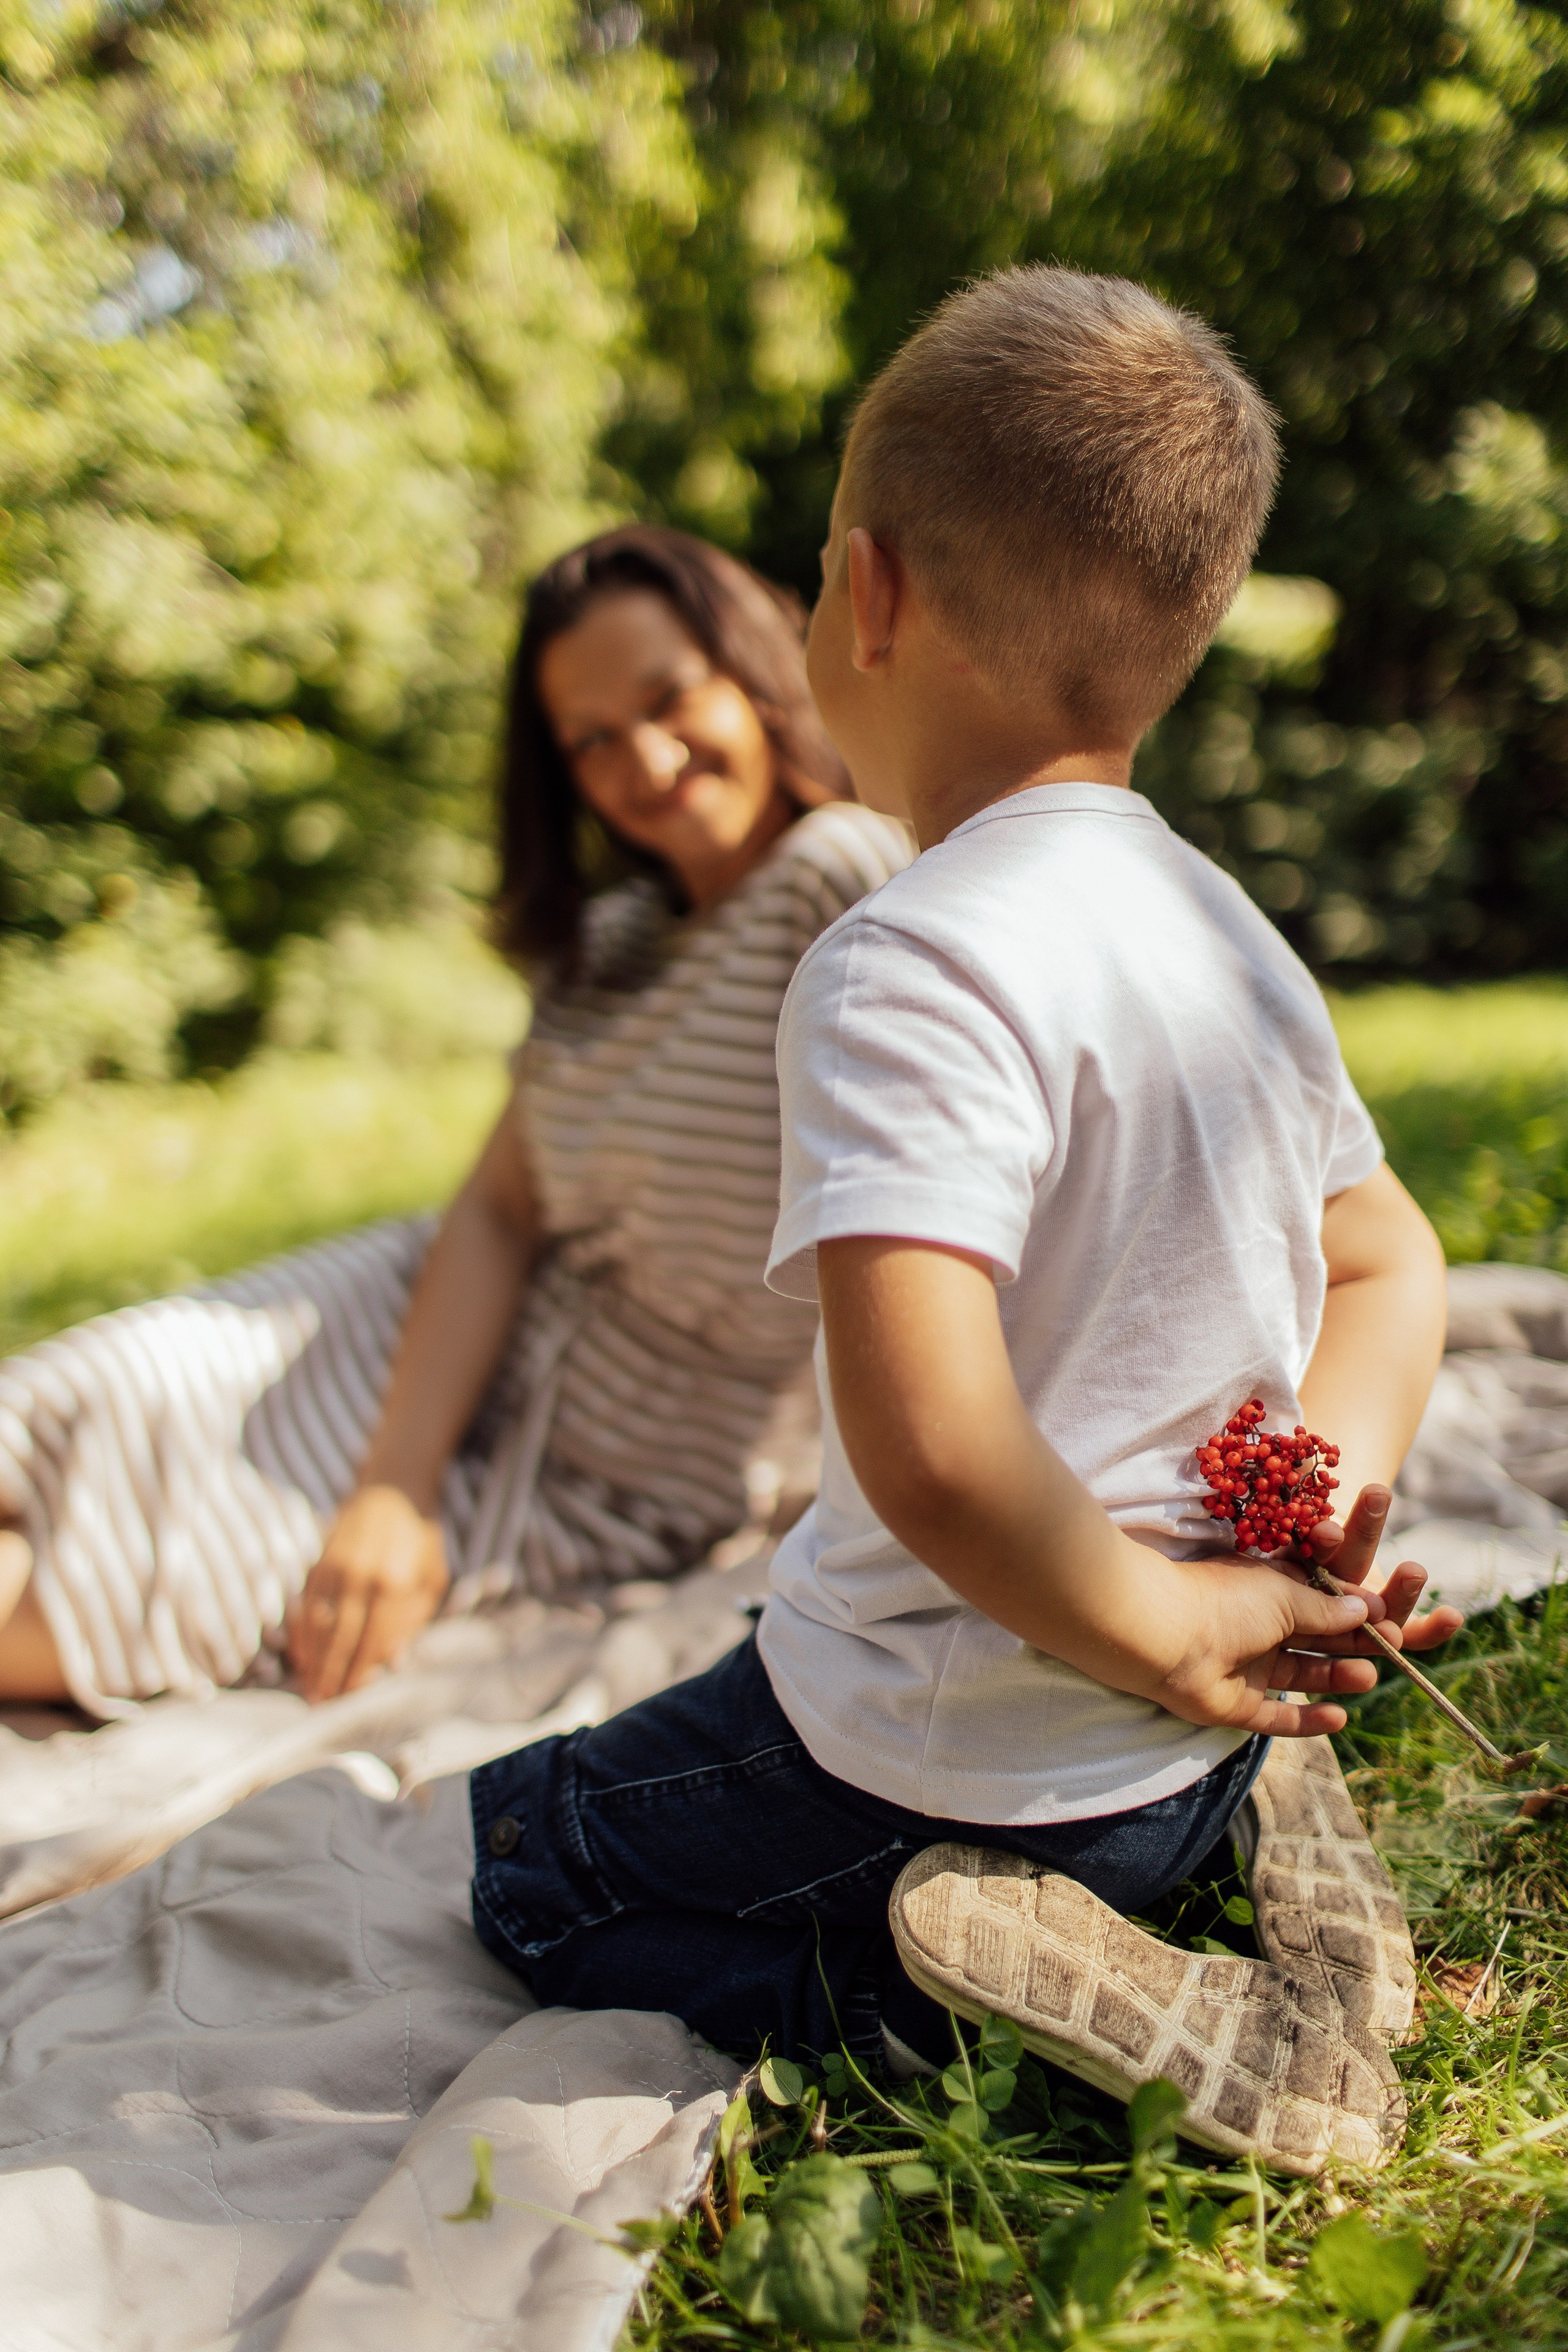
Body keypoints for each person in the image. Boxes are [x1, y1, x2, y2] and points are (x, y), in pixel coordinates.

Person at [467, 271, 1463, 2175]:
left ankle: (999, 2007)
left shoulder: (899, 962)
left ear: (870, 595)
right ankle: (1239, 1848)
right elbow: (1388, 1258)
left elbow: (934, 1453)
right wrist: (1293, 1522)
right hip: (1189, 1752)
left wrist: (1173, 1631)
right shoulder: (1229, 933)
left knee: (528, 1855)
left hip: (961, 1758)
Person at [0, 527, 910, 1714]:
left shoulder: (838, 874)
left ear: (753, 674)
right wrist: (394, 1484)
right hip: (404, 1329)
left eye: (669, 698)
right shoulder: (609, 941)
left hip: (597, 1469)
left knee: (61, 1612)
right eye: (591, 739)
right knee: (74, 1397)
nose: (645, 758)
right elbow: (497, 1210)